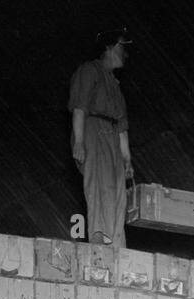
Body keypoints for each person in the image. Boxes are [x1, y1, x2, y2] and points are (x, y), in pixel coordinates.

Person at [69, 29, 133, 247]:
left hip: (113, 137)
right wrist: (79, 142)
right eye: (123, 48)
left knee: (118, 194)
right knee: (99, 184)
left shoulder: (116, 87)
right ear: (110, 47)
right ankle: (99, 236)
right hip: (93, 132)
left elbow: (122, 128)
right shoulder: (89, 71)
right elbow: (79, 108)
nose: (126, 54)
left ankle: (116, 244)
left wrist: (127, 160)